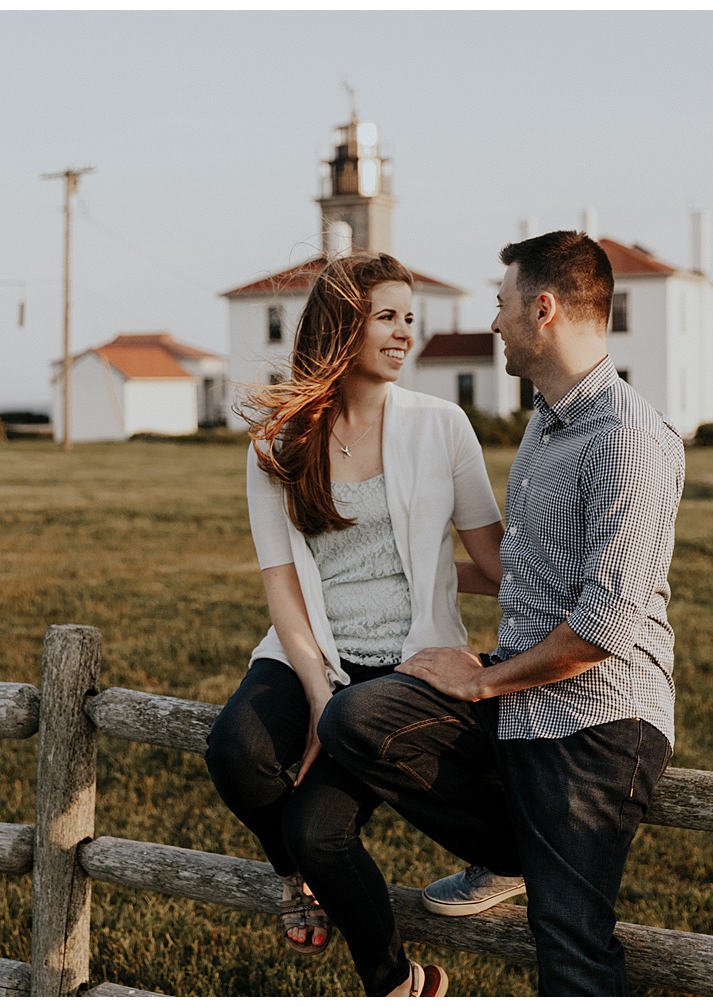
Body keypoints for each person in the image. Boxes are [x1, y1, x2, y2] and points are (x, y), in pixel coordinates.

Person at [319, 231, 685, 996]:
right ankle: (520, 851)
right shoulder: (546, 425)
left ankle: (534, 860)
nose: (493, 321)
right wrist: (395, 569)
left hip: (597, 720)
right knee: (358, 719)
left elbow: (604, 628)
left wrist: (481, 682)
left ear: (542, 309)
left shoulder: (630, 438)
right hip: (524, 698)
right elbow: (525, 573)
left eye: (502, 303)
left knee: (570, 946)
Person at [205, 250, 505, 997]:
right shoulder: (278, 440)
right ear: (344, 325)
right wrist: (316, 693)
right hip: (310, 646)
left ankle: (397, 982)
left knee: (318, 827)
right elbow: (281, 583)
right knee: (234, 751)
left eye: (411, 318)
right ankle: (297, 880)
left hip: (406, 665)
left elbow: (496, 565)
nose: (405, 333)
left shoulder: (444, 427)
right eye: (388, 317)